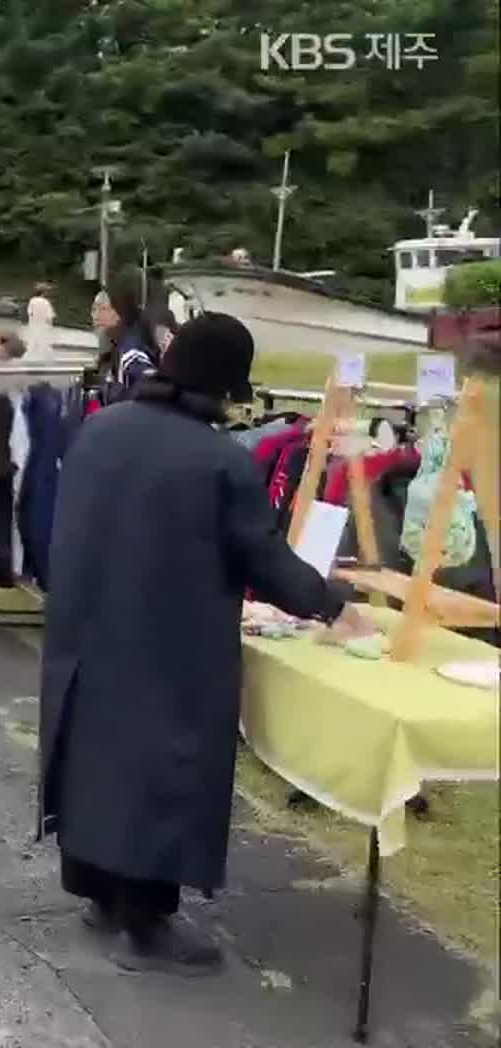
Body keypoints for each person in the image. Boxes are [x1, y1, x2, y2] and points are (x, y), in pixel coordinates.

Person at [39, 313, 372, 977]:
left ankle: (101, 897)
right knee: (160, 772)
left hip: (87, 628)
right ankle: (147, 923)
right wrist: (334, 606)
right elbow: (265, 559)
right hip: (169, 643)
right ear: (222, 385)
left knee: (95, 761)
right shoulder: (220, 459)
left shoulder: (99, 429)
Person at [90, 276, 159, 400]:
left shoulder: (131, 352)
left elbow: (152, 387)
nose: (95, 315)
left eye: (103, 308)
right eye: (94, 309)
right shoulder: (112, 349)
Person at [24, 282, 56, 359]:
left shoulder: (32, 301)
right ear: (44, 292)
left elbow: (30, 313)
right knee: (44, 343)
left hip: (33, 325)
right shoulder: (46, 302)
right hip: (43, 326)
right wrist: (51, 327)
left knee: (32, 343)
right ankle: (46, 358)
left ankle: (29, 357)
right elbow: (49, 317)